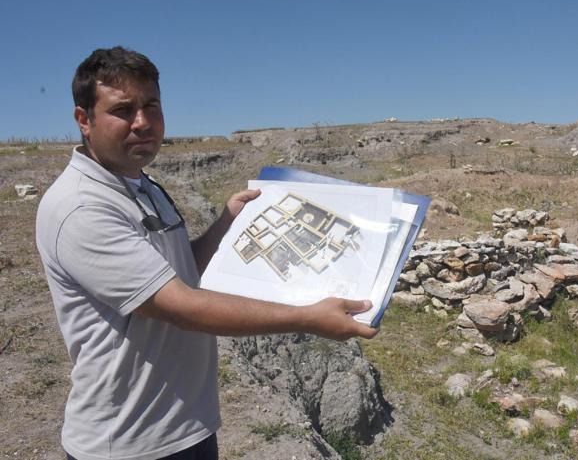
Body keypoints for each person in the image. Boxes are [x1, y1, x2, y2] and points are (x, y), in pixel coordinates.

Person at [36, 46, 378, 460]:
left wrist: (225, 223)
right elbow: (179, 305)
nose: (142, 122)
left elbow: (179, 271)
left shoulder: (142, 185)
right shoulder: (81, 207)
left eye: (151, 106)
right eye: (123, 110)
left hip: (186, 426)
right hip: (129, 441)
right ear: (83, 120)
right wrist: (307, 317)